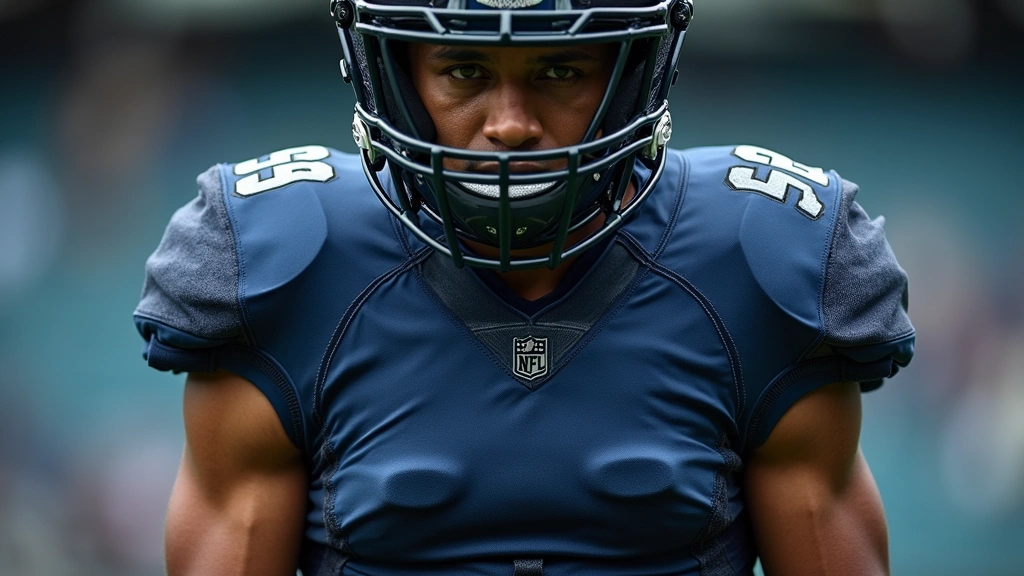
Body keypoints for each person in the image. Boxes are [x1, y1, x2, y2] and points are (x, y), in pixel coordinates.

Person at [134, 0, 914, 574]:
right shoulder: (284, 264)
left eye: (561, 70)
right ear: (393, 75)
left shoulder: (760, 257)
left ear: (631, 72)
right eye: (465, 71)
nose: (510, 124)